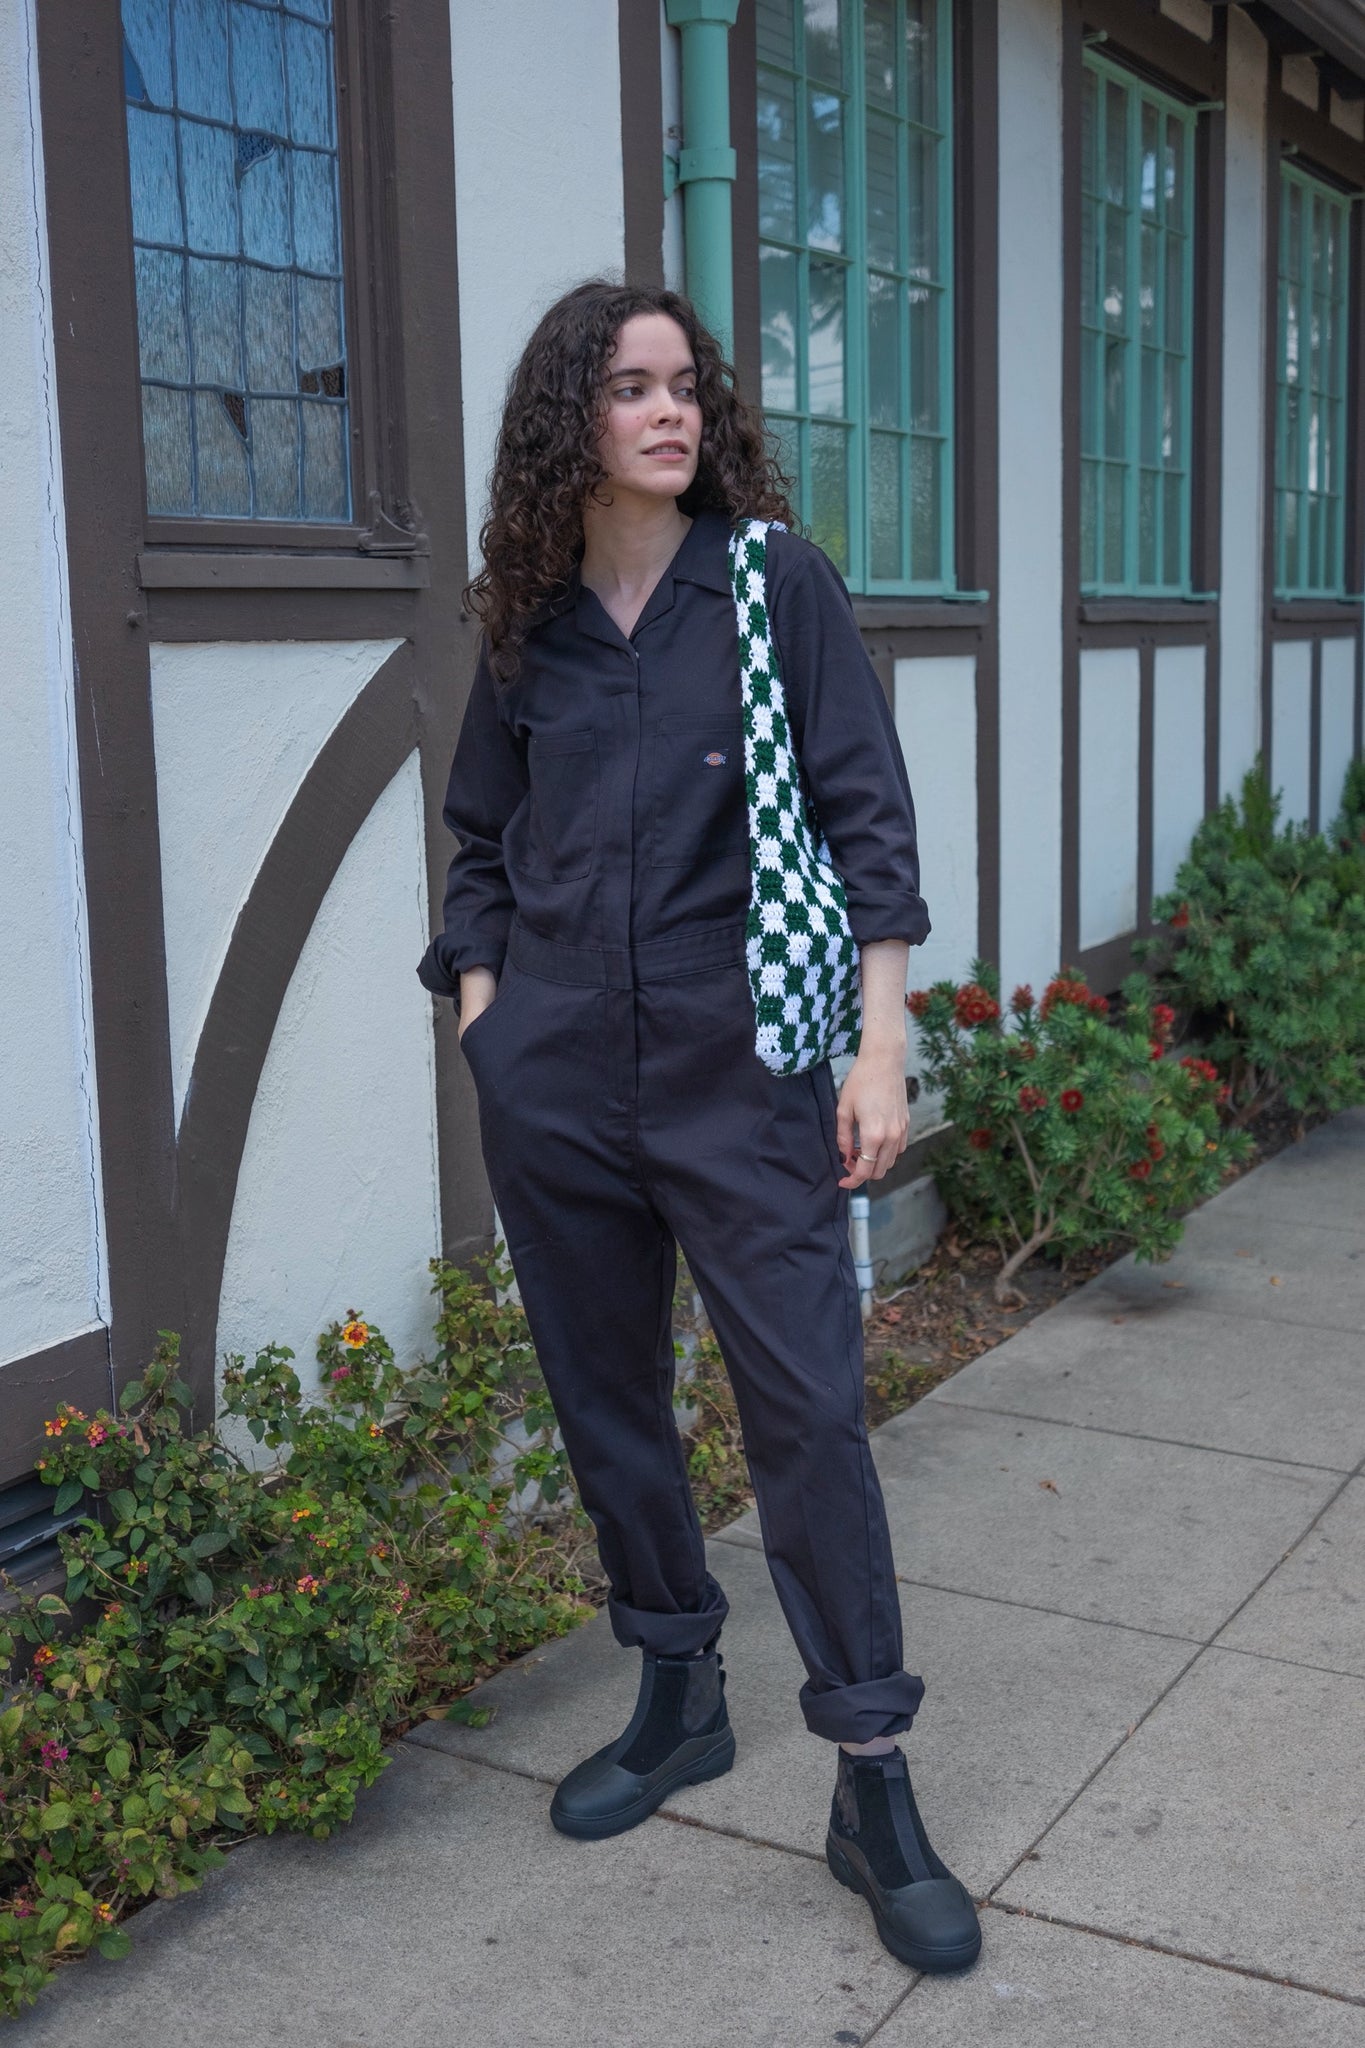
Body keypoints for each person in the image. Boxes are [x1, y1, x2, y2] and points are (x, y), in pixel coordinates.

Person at [418, 279, 980, 1975]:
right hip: (558, 1073)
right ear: (567, 420)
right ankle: (677, 1692)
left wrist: (875, 1046)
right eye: (628, 387)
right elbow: (478, 837)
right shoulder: (527, 622)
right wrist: (487, 1019)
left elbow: (867, 818)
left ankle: (869, 1779)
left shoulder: (771, 583)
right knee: (607, 1400)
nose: (667, 412)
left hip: (741, 1073)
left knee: (805, 1410)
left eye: (684, 386)